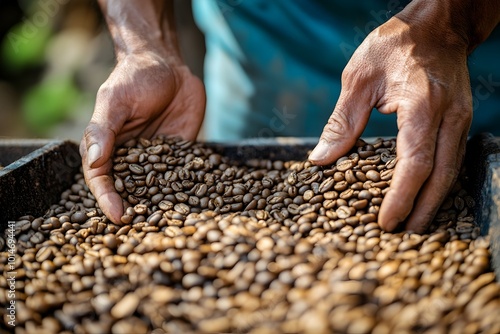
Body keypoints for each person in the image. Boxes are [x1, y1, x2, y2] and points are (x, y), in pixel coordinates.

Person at [80, 0, 500, 233]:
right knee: (232, 174)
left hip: (456, 56)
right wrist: (142, 43)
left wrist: (448, 25)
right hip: (259, 43)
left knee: (448, 170)